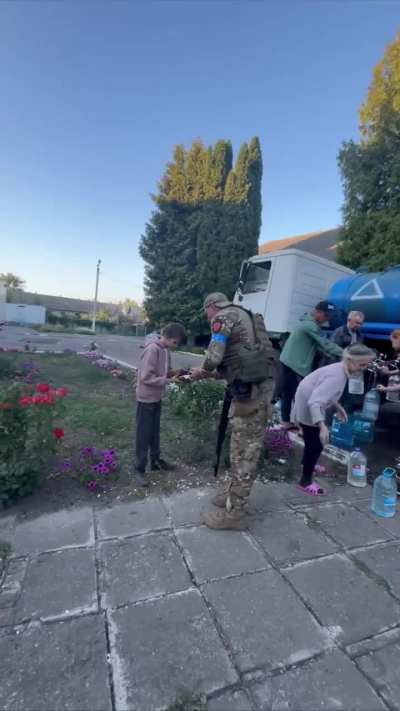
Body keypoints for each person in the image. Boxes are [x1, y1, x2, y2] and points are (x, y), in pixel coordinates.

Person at [191, 292, 276, 530]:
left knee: (244, 454)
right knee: (239, 448)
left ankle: (235, 515)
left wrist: (202, 369)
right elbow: (236, 362)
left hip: (252, 395)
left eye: (206, 311)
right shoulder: (245, 315)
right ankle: (231, 495)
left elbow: (213, 358)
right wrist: (209, 372)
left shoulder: (223, 316)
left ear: (211, 306)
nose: (208, 317)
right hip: (255, 388)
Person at [292, 344, 375, 496]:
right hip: (308, 404)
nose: (363, 368)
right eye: (361, 365)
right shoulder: (337, 376)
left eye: (366, 365)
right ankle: (305, 481)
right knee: (316, 444)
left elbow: (325, 391)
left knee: (312, 442)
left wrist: (338, 407)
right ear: (350, 360)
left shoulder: (341, 368)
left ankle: (308, 464)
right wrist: (322, 426)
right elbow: (315, 402)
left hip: (308, 399)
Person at [135, 322, 187, 486]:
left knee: (154, 432)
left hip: (156, 397)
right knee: (143, 435)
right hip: (146, 399)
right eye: (175, 343)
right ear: (167, 337)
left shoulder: (164, 350)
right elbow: (146, 377)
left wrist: (178, 374)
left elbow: (165, 372)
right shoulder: (153, 349)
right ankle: (139, 469)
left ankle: (156, 461)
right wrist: (167, 380)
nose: (175, 346)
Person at [279, 301, 343, 429]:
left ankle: (290, 421)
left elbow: (318, 347)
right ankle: (289, 422)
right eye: (326, 315)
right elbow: (325, 344)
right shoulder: (310, 326)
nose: (328, 318)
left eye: (329, 315)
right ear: (317, 312)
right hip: (294, 363)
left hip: (292, 361)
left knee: (291, 393)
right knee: (295, 394)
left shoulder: (309, 323)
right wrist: (346, 353)